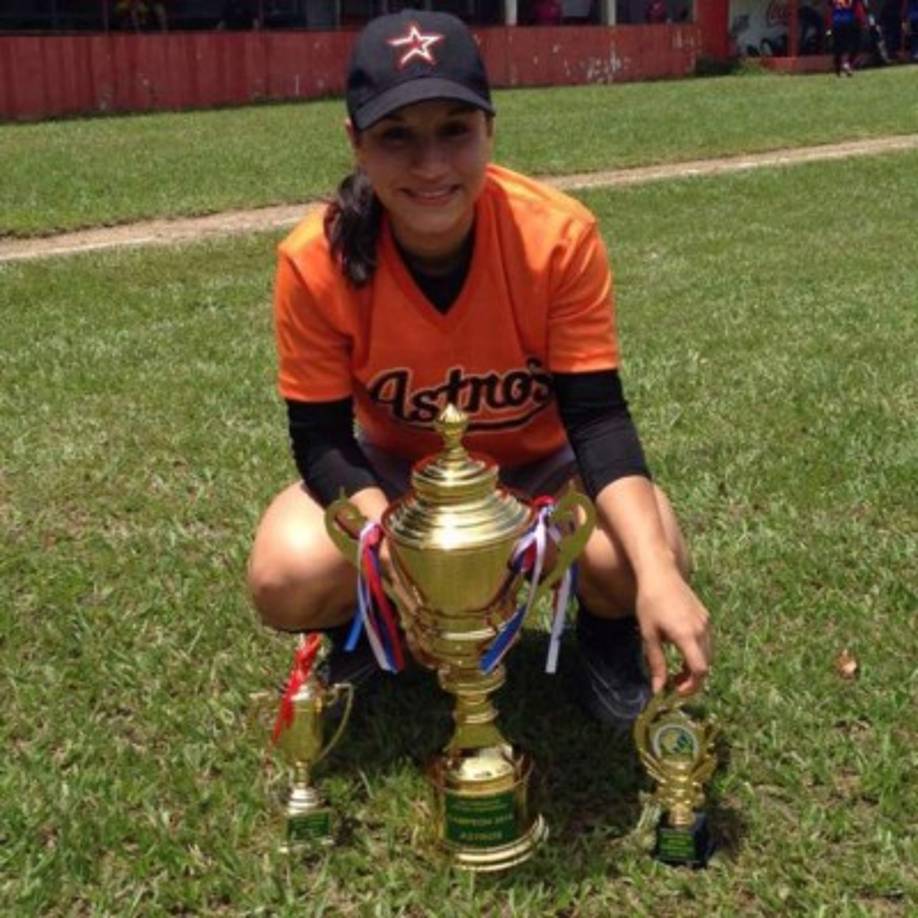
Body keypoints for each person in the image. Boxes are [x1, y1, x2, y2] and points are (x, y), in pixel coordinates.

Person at [248, 10, 712, 731]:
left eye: (454, 130)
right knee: (286, 573)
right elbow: (321, 442)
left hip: (542, 475)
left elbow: (597, 418)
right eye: (396, 135)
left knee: (640, 557)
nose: (430, 165)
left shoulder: (557, 237)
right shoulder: (316, 259)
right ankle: (378, 630)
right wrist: (402, 549)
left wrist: (658, 576)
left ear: (491, 130)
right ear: (355, 144)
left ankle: (606, 637)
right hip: (400, 478)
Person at [827, 0, 863, 74]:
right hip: (849, 20)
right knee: (856, 44)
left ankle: (839, 68)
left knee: (839, 46)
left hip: (837, 21)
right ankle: (847, 64)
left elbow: (830, 6)